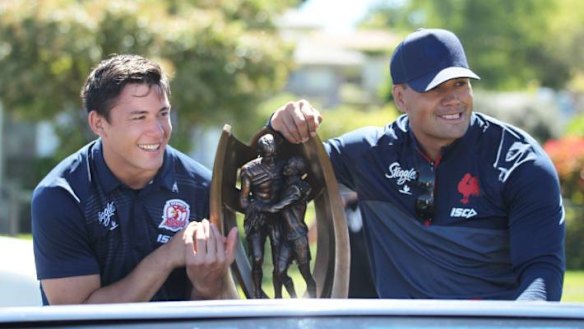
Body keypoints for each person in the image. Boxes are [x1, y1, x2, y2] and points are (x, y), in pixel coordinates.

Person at [268, 28, 565, 300]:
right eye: (435, 88)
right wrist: (280, 124)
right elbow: (273, 169)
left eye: (460, 84)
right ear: (400, 97)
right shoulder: (370, 154)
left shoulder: (520, 163)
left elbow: (542, 272)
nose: (453, 99)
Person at [31, 54, 239, 305]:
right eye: (139, 117)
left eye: (163, 114)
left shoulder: (202, 187)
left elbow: (228, 307)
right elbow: (75, 317)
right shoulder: (63, 195)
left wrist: (207, 286)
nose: (158, 131)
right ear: (99, 123)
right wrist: (165, 258)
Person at [258, 156, 317, 298]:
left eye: (290, 165)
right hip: (286, 238)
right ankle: (293, 300)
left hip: (298, 237)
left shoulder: (299, 189)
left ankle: (314, 298)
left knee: (305, 273)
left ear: (297, 170)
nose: (286, 166)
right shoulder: (285, 186)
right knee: (279, 271)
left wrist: (260, 207)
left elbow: (280, 206)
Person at [239, 133, 287, 298]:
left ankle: (278, 296)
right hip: (257, 218)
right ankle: (257, 293)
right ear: (260, 153)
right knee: (257, 258)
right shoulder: (249, 170)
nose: (270, 159)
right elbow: (243, 200)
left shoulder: (283, 167)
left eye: (272, 155)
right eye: (267, 155)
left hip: (277, 217)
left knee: (278, 260)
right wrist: (257, 208)